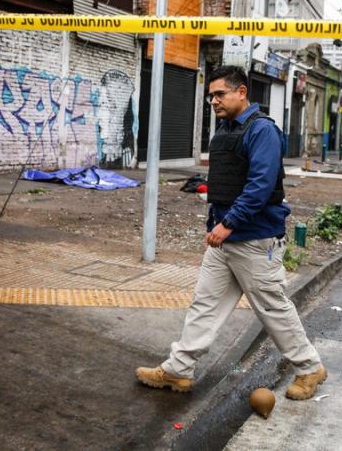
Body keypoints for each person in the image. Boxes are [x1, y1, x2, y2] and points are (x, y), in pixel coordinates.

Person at [135, 66, 326, 400]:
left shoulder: (261, 130)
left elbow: (260, 186)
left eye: (220, 94)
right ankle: (179, 370)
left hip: (253, 239)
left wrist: (228, 224)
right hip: (225, 239)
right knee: (204, 305)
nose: (213, 101)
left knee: (272, 307)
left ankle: (310, 369)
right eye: (211, 95)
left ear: (242, 92)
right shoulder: (226, 129)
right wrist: (218, 222)